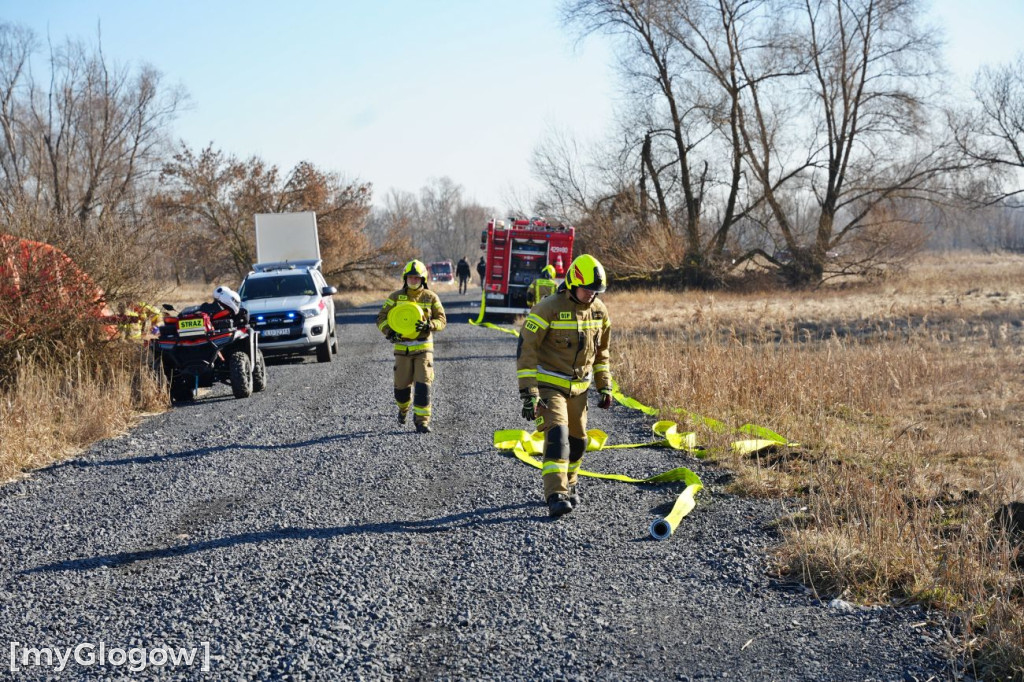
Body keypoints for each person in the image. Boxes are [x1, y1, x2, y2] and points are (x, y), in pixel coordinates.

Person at [516, 254, 613, 517]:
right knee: (557, 437)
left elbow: (602, 352)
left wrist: (605, 386)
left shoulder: (599, 311)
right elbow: (526, 351)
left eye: (595, 291)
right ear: (572, 282)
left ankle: (570, 482)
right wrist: (529, 393)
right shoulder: (548, 308)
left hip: (579, 389)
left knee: (578, 443)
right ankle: (556, 494)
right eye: (587, 290)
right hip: (549, 385)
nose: (591, 295)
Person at [377, 260, 447, 434]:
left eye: (417, 278)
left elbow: (442, 320)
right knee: (401, 389)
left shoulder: (431, 297)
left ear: (423, 279)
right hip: (402, 350)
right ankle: (403, 410)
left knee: (423, 386)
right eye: (410, 278)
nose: (413, 281)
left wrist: (429, 325)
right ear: (405, 278)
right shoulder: (395, 297)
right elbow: (381, 318)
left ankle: (422, 422)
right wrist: (390, 332)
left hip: (423, 349)